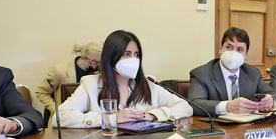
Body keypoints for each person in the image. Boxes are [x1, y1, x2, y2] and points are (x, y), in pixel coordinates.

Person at [57, 30, 192, 127]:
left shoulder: (148, 83)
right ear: (111, 57)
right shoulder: (90, 84)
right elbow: (60, 117)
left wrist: (153, 115)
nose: (133, 59)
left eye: (137, 54)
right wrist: (111, 119)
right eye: (127, 54)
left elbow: (185, 107)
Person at [188, 27, 276, 117]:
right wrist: (227, 106)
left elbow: (272, 94)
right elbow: (194, 104)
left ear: (246, 55)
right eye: (229, 47)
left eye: (239, 49)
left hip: (249, 125)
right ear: (220, 49)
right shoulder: (201, 73)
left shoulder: (253, 73)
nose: (233, 53)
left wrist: (271, 100)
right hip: (218, 126)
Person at [35, 41, 103, 125]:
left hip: (89, 122)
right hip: (64, 121)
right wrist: (57, 110)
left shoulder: (98, 74)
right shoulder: (60, 70)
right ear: (92, 61)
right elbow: (41, 92)